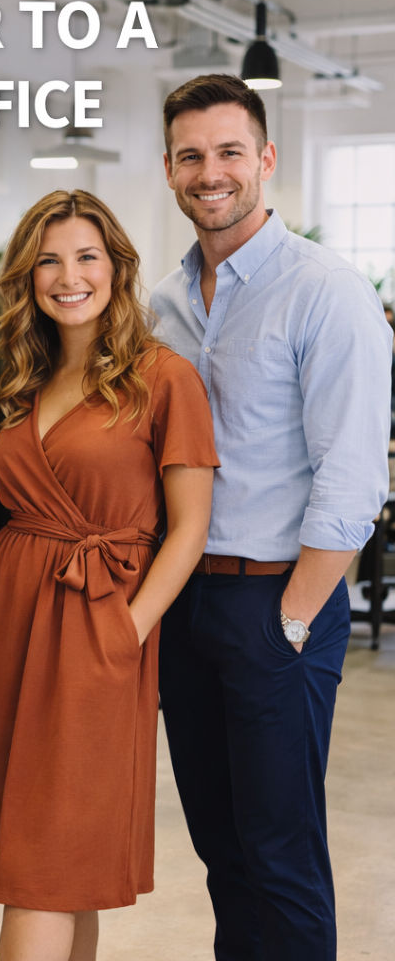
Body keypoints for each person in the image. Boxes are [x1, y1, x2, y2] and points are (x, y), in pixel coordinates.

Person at [151, 74, 393, 961]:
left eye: (228, 153)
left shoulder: (324, 291)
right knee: (222, 852)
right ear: (169, 169)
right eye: (191, 156)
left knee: (282, 853)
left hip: (276, 606)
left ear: (266, 161)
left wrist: (293, 616)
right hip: (187, 606)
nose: (210, 173)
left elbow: (354, 477)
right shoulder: (165, 305)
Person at [0, 189, 218, 961]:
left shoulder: (163, 378)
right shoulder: (21, 376)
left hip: (94, 626)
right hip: (6, 628)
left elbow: (191, 526)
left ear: (118, 268)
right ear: (27, 278)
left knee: (46, 861)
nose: (69, 277)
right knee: (61, 866)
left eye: (87, 257)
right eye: (49, 261)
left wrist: (125, 632)